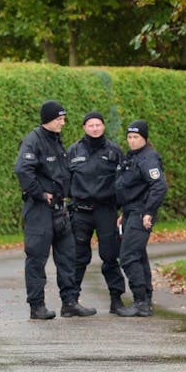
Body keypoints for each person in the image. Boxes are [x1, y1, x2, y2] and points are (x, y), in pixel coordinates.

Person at [14, 101, 96, 319]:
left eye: (63, 118)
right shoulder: (34, 140)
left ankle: (70, 302)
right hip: (39, 209)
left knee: (68, 256)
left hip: (60, 209)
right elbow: (22, 170)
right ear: (48, 119)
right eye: (59, 119)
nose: (63, 122)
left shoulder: (56, 140)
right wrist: (40, 193)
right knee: (36, 258)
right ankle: (37, 306)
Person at [67, 111, 127, 314]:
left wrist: (122, 208)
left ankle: (116, 300)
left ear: (103, 127)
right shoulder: (73, 151)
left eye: (98, 125)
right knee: (78, 257)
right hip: (81, 211)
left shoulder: (114, 151)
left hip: (106, 211)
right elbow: (65, 180)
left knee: (110, 256)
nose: (95, 128)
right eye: (90, 125)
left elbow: (124, 182)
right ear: (84, 127)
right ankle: (71, 301)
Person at [114, 120, 168, 317]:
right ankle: (145, 300)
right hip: (131, 212)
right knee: (138, 256)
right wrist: (124, 212)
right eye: (129, 137)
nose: (132, 141)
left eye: (136, 137)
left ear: (144, 138)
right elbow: (134, 188)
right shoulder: (134, 157)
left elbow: (159, 186)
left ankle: (140, 301)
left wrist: (148, 212)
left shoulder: (148, 159)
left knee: (128, 257)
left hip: (140, 214)